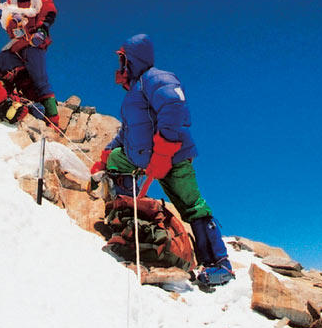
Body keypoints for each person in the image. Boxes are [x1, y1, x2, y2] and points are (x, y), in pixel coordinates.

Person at [90, 33, 234, 287]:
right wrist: (106, 156)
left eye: (122, 59)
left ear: (132, 59)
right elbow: (127, 132)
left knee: (192, 206)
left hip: (173, 158)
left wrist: (164, 151)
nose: (119, 66)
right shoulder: (133, 93)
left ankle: (219, 264)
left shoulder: (156, 78)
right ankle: (128, 228)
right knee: (116, 162)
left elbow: (174, 107)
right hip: (142, 158)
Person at [0, 0, 60, 128]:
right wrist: (11, 21)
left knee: (39, 78)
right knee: (1, 60)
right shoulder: (11, 0)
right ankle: (10, 98)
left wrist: (42, 30)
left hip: (35, 42)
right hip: (19, 42)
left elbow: (48, 13)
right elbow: (5, 20)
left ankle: (53, 119)